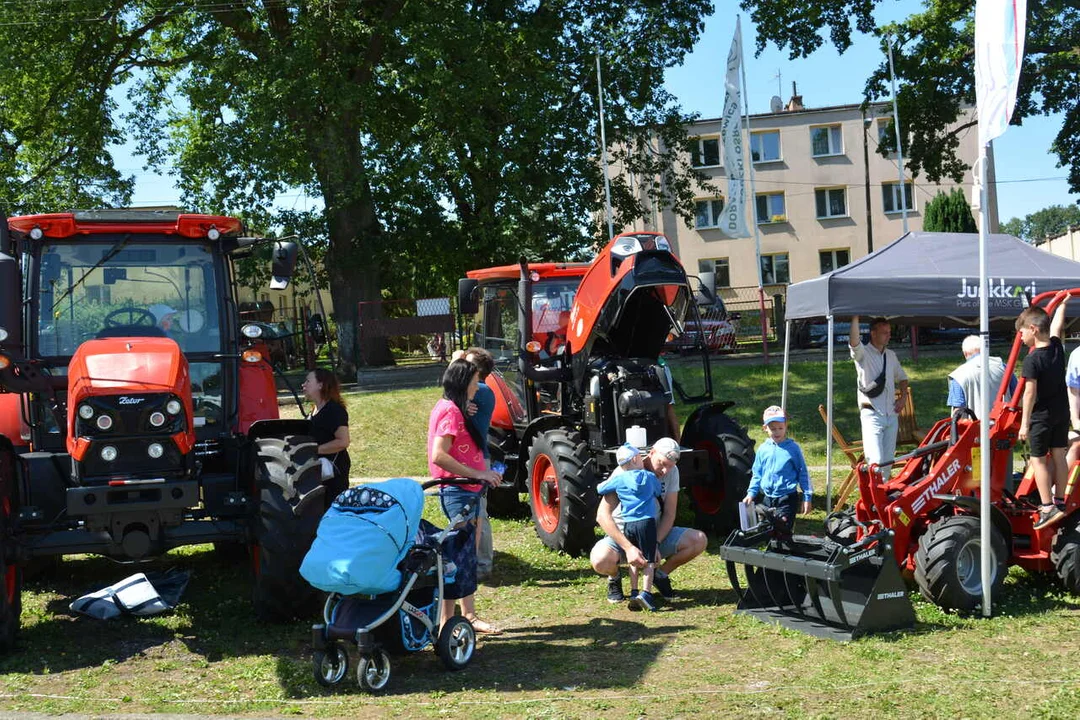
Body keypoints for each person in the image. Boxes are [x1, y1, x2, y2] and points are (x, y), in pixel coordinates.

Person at [427, 358, 503, 634]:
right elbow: (439, 456)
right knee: (460, 557)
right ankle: (462, 617)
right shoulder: (450, 411)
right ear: (463, 384)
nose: (477, 387)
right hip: (458, 491)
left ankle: (454, 618)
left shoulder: (451, 407)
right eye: (473, 382)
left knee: (461, 555)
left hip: (464, 490)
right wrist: (478, 473)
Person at [589, 437, 707, 603]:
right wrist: (629, 548)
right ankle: (614, 578)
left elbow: (669, 514)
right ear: (651, 453)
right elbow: (602, 515)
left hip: (652, 533)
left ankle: (659, 575)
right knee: (600, 560)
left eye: (670, 466)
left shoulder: (672, 472)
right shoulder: (626, 471)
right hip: (624, 536)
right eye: (662, 463)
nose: (665, 471)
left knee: (698, 540)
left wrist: (655, 543)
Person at [1016, 301, 1070, 529]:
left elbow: (1029, 393)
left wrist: (1024, 424)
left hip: (1042, 416)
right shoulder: (1057, 347)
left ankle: (1047, 507)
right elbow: (1056, 326)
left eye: (1021, 332)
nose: (1020, 338)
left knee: (1038, 460)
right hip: (1061, 412)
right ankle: (1060, 501)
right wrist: (1063, 304)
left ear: (1033, 330)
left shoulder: (1032, 359)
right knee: (1058, 455)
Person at [595, 444, 663, 611]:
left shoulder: (619, 478)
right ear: (635, 459)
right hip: (647, 522)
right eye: (640, 457)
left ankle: (633, 592)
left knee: (634, 558)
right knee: (648, 560)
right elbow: (657, 492)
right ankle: (646, 593)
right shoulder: (649, 477)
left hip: (628, 524)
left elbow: (600, 488)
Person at [849, 316, 910, 470]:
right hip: (872, 414)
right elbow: (854, 343)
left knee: (888, 462)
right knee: (875, 462)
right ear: (873, 333)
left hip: (891, 414)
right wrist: (855, 317)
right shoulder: (863, 354)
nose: (889, 335)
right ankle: (873, 492)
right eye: (884, 332)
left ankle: (882, 492)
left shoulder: (891, 355)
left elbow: (903, 378)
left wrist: (903, 398)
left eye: (889, 332)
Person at [742, 405, 812, 535]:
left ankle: (785, 548)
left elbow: (802, 472)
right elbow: (757, 474)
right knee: (767, 529)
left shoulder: (793, 449)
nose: (777, 432)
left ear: (786, 426)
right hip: (767, 497)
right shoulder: (763, 449)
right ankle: (770, 550)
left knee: (783, 527)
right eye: (772, 428)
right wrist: (751, 493)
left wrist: (807, 497)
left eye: (780, 428)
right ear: (765, 428)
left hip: (787, 496)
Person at [460, 346, 497, 582]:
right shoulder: (469, 392)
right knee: (471, 512)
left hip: (478, 458)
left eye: (468, 363)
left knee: (478, 513)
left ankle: (483, 565)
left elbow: (448, 388)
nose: (464, 365)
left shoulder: (481, 390)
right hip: (468, 458)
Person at [302, 368, 351, 510]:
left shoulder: (334, 410)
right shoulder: (314, 411)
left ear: (320, 385)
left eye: (308, 381)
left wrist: (314, 450)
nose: (303, 385)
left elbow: (343, 441)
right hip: (318, 472)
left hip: (333, 474)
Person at [946, 335, 1015, 420]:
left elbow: (957, 411)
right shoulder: (1003, 366)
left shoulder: (958, 375)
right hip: (1004, 424)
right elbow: (1017, 394)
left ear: (965, 353)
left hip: (975, 428)